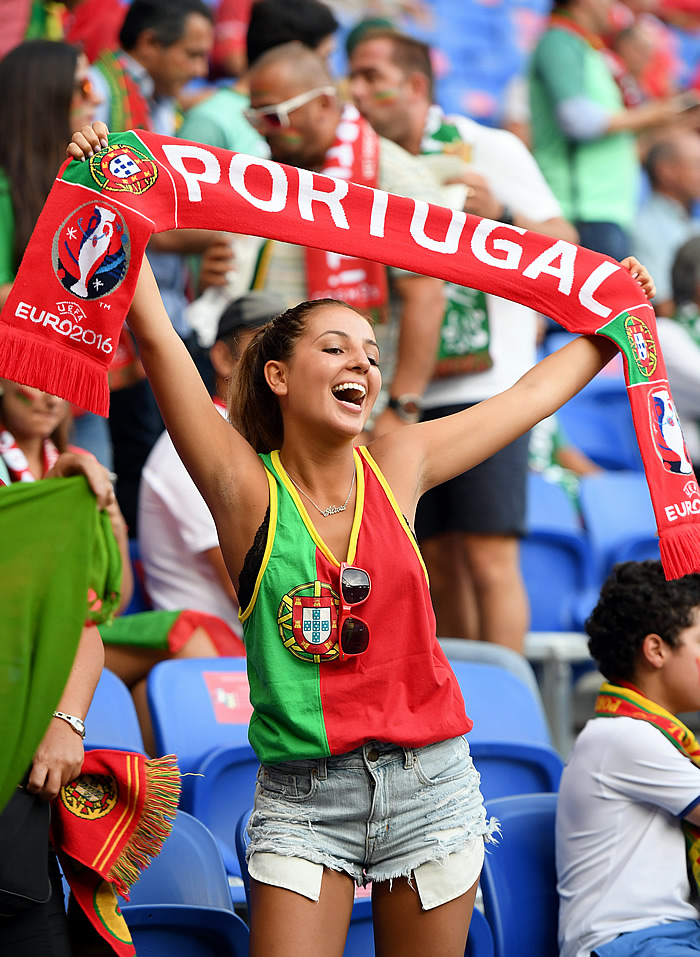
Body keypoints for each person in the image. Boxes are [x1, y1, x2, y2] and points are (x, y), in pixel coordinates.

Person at [69, 116, 655, 957]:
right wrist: (115, 196)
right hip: (304, 799)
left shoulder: (402, 459)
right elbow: (158, 341)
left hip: (433, 783)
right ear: (276, 374)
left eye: (373, 356)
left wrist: (613, 318)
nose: (364, 366)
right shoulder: (242, 487)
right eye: (336, 347)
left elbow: (527, 396)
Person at [348, 29, 577, 650]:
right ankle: (465, 711)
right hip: (404, 384)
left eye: (371, 76)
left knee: (488, 557)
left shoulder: (487, 147)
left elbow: (566, 242)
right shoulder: (359, 164)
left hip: (488, 387)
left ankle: (514, 708)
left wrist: (501, 214)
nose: (357, 91)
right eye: (353, 77)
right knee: (436, 561)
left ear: (417, 86)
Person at [245, 41, 446, 438]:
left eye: (275, 116)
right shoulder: (278, 175)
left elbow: (426, 296)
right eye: (255, 118)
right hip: (280, 413)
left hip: (357, 422)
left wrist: (400, 411)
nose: (265, 129)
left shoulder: (393, 179)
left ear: (322, 104)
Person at [556, 560, 700, 957]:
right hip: (625, 943)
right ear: (656, 650)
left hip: (670, 938)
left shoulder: (646, 735)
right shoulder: (624, 737)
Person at [139, 291, 285, 632]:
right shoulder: (184, 446)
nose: (278, 362)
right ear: (221, 357)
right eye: (264, 344)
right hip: (212, 664)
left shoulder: (263, 439)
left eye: (288, 347)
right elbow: (251, 587)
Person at [0, 40, 111, 470]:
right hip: (21, 397)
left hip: (74, 388)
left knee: (97, 516)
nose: (96, 97)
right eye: (83, 85)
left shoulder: (75, 177)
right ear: (41, 94)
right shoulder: (5, 190)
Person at [529, 0, 698, 260]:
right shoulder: (559, 41)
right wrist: (649, 116)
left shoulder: (586, 47)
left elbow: (615, 129)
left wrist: (671, 120)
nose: (613, 4)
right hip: (580, 209)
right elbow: (576, 120)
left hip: (604, 208)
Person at [632, 130, 700, 315]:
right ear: (666, 171)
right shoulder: (646, 228)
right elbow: (664, 307)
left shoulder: (692, 221)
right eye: (696, 164)